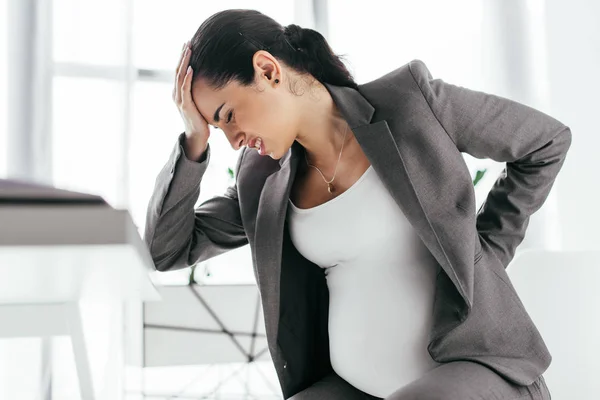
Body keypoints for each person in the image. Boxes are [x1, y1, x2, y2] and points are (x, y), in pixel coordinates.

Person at [144, 8, 570, 400]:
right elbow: (167, 250)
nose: (232, 139)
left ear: (267, 70)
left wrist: (483, 254)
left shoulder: (410, 105)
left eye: (228, 116)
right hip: (354, 388)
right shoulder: (261, 180)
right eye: (214, 128)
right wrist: (192, 143)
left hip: (476, 371)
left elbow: (545, 143)